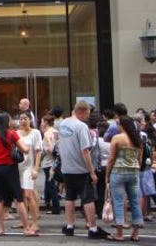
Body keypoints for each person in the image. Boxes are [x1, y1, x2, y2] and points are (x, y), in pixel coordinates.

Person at [59, 100, 110, 240]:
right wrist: (92, 171)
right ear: (80, 111)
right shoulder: (81, 127)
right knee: (88, 199)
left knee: (70, 197)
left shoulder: (62, 124)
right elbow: (85, 151)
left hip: (67, 168)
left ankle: (69, 226)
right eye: (87, 113)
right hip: (81, 169)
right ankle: (93, 228)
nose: (88, 117)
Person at [0, 112, 36, 236]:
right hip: (10, 168)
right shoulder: (12, 134)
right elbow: (25, 149)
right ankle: (26, 228)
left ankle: (0, 228)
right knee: (18, 199)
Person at [106, 115, 143, 241]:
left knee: (119, 201)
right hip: (133, 172)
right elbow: (140, 159)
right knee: (134, 201)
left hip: (118, 172)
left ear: (121, 125)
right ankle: (135, 233)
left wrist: (107, 175)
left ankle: (120, 233)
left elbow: (111, 159)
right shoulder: (137, 139)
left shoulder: (117, 138)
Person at [15, 111, 42, 232]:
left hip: (28, 167)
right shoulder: (16, 133)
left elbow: (38, 151)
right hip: (17, 167)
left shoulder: (35, 133)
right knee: (20, 196)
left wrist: (36, 168)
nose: (22, 121)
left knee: (29, 195)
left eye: (25, 118)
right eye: (20, 119)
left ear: (30, 120)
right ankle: (24, 221)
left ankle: (35, 223)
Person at [40, 114, 60, 215]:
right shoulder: (56, 132)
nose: (41, 124)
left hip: (48, 161)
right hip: (55, 161)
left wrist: (41, 154)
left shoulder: (47, 133)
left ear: (46, 122)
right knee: (49, 182)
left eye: (42, 121)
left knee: (51, 184)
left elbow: (49, 149)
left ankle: (56, 207)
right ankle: (47, 201)